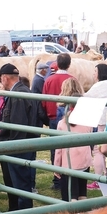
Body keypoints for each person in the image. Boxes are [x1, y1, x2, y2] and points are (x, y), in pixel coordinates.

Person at [0, 63, 36, 211]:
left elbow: (18, 125)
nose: (1, 83)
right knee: (16, 183)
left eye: (0, 79)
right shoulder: (22, 91)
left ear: (5, 78)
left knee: (19, 184)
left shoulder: (17, 95)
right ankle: (16, 211)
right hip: (22, 144)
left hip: (17, 147)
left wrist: (12, 146)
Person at [53, 79, 91, 201]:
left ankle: (72, 211)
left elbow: (59, 148)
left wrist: (56, 166)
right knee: (82, 193)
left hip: (69, 163)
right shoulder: (88, 121)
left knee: (70, 195)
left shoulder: (62, 123)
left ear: (69, 105)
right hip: (84, 161)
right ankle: (84, 210)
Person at [42, 54, 75, 188]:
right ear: (69, 64)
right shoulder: (72, 79)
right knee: (69, 147)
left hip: (53, 117)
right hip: (70, 117)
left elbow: (44, 100)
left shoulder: (49, 80)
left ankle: (57, 179)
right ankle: (70, 177)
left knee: (55, 149)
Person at [84, 63, 107, 181]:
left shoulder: (100, 85)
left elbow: (86, 97)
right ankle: (105, 174)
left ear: (100, 73)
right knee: (106, 148)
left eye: (95, 71)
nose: (93, 74)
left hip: (102, 120)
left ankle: (98, 179)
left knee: (98, 150)